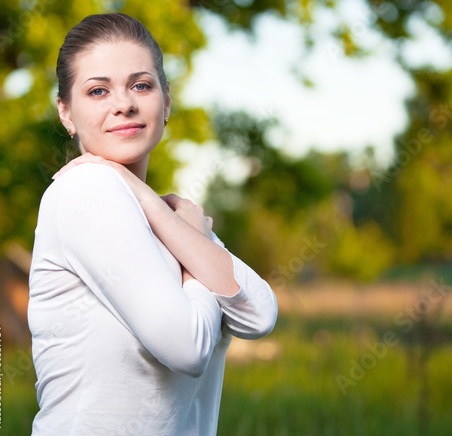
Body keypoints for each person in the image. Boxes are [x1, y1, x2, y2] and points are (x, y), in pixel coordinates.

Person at [28, 12, 278, 436]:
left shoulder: (163, 216)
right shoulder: (85, 190)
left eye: (140, 85)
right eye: (98, 90)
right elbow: (188, 349)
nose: (123, 103)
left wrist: (153, 204)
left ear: (166, 102)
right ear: (66, 113)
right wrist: (195, 243)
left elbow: (259, 314)